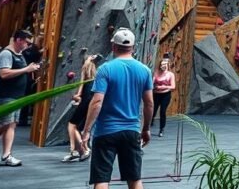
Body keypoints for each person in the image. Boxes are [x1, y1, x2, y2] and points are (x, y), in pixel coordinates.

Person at [80, 28, 154, 189]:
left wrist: (86, 131)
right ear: (133, 47)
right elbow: (149, 103)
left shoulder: (105, 69)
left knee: (101, 180)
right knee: (134, 179)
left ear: (113, 46)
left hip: (106, 131)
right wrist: (146, 129)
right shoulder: (145, 70)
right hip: (131, 131)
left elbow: (97, 101)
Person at [0, 29, 39, 167]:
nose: (28, 46)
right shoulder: (6, 54)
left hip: (17, 95)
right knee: (5, 124)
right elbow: (4, 74)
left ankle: (6, 156)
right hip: (6, 96)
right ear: (19, 40)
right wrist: (25, 70)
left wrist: (30, 70)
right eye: (27, 42)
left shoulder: (20, 55)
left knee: (11, 125)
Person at [62, 54, 99, 163]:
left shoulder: (85, 71)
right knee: (79, 126)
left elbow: (81, 88)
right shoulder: (96, 75)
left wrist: (76, 96)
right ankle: (75, 151)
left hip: (85, 101)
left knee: (72, 125)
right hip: (91, 102)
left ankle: (83, 149)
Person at [18, 35, 43, 126]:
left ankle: (21, 119)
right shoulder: (29, 50)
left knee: (24, 98)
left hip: (26, 76)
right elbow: (34, 56)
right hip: (25, 76)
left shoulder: (26, 50)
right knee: (24, 98)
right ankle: (21, 119)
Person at [151, 56, 175, 137]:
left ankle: (161, 129)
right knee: (153, 110)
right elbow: (152, 82)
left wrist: (163, 87)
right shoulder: (156, 73)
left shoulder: (170, 74)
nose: (163, 66)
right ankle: (150, 123)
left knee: (162, 111)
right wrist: (153, 86)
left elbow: (173, 86)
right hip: (156, 94)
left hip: (165, 94)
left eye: (165, 64)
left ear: (167, 65)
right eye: (162, 64)